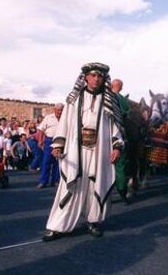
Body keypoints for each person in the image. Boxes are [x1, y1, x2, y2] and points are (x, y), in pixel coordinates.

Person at [42, 62, 123, 241]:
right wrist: (58, 145)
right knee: (69, 186)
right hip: (75, 150)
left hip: (99, 151)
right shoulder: (74, 98)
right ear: (85, 77)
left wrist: (117, 146)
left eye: (100, 76)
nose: (96, 79)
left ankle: (94, 221)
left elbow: (115, 127)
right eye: (93, 75)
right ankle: (57, 226)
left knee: (97, 185)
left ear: (104, 79)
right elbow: (64, 122)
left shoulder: (109, 100)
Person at [111, 78, 133, 202]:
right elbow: (127, 115)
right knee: (120, 167)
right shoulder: (123, 100)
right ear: (121, 88)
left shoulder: (104, 97)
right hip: (119, 135)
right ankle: (123, 193)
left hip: (104, 136)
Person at [36, 103, 64, 188]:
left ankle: (55, 181)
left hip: (60, 141)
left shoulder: (65, 117)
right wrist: (40, 141)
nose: (60, 111)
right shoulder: (48, 118)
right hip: (49, 141)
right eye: (58, 110)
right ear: (54, 110)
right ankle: (43, 181)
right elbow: (41, 129)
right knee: (46, 161)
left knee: (58, 162)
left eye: (61, 110)